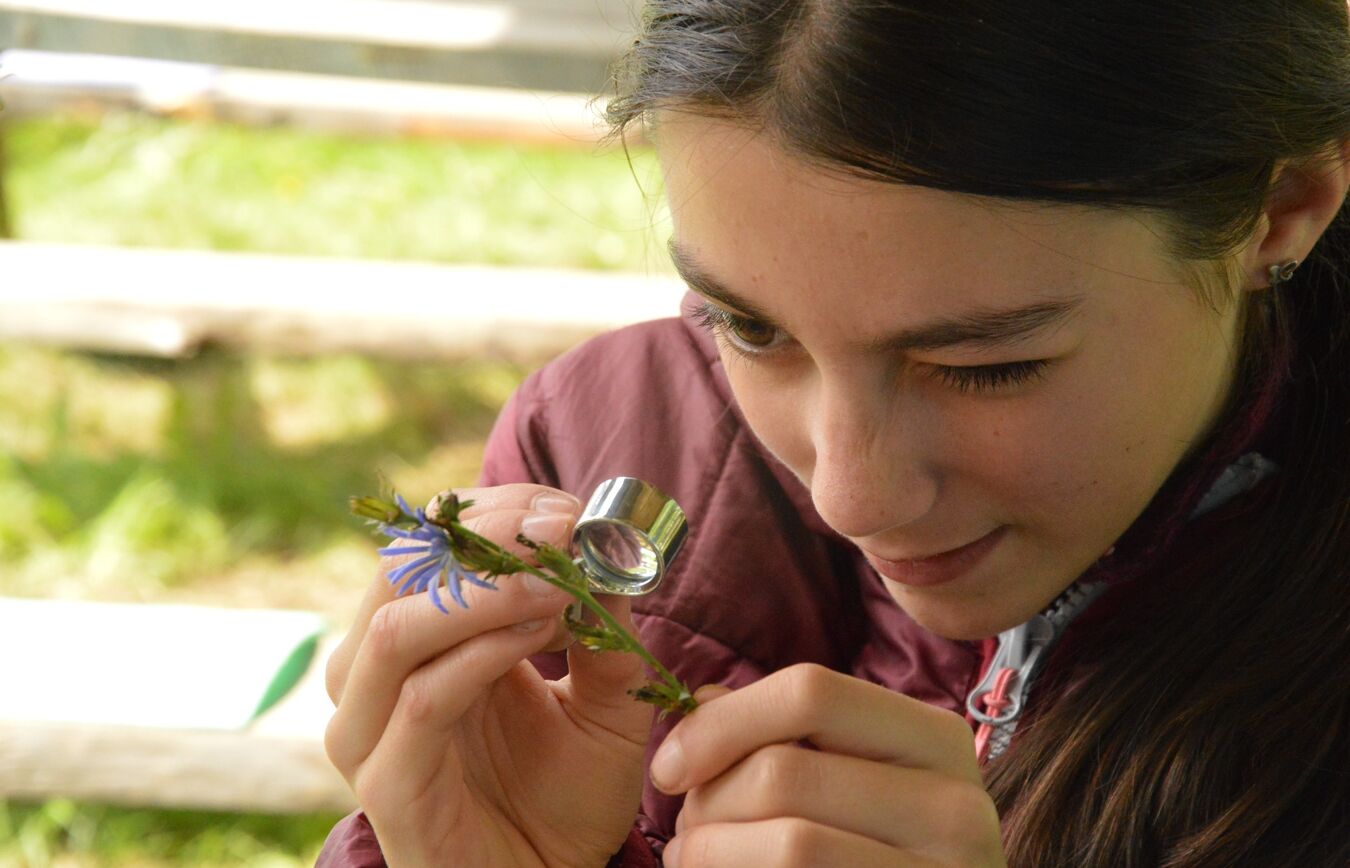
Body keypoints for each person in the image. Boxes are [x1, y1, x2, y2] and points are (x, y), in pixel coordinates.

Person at [317, 2, 1350, 865]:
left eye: (986, 366)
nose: (849, 496)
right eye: (749, 324)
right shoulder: (607, 444)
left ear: (1283, 209)